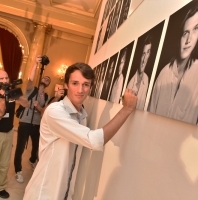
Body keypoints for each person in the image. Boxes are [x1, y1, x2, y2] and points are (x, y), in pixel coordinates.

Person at [23, 62, 137, 200]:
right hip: (43, 194)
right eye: (75, 83)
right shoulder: (55, 111)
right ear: (66, 85)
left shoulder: (82, 116)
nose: (80, 90)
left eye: (86, 84)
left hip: (64, 194)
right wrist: (127, 109)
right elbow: (94, 140)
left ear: (90, 87)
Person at [148, 2, 198, 124]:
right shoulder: (163, 75)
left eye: (195, 29)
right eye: (185, 33)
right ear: (179, 37)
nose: (188, 40)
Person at [14, 56, 52, 183]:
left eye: (48, 80)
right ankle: (18, 170)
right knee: (19, 148)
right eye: (45, 78)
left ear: (48, 84)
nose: (45, 79)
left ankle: (32, 160)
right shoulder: (32, 89)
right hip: (25, 122)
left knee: (36, 147)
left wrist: (38, 106)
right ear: (41, 79)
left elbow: (44, 112)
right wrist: (35, 64)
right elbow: (30, 78)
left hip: (36, 124)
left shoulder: (46, 96)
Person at [0, 69, 28, 199]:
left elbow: (26, 104)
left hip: (9, 131)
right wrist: (2, 96)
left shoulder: (10, 93)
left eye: (6, 78)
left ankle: (0, 187)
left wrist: (17, 95)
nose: (5, 81)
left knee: (5, 163)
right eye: (1, 79)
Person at [127, 35, 152, 110]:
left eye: (147, 53)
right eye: (143, 54)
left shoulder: (147, 79)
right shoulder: (130, 82)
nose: (144, 60)